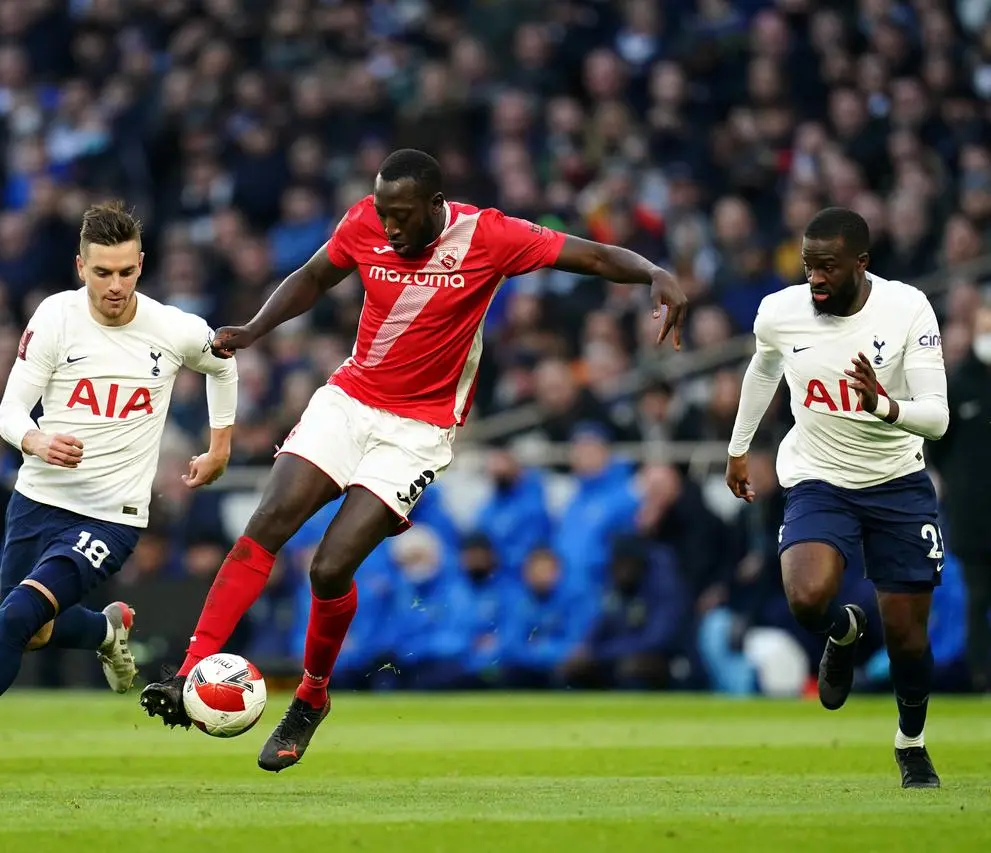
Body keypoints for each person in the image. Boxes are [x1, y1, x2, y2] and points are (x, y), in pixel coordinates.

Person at [140, 148, 688, 772]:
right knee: (266, 524)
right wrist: (255, 328)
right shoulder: (365, 222)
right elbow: (314, 277)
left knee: (330, 568)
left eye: (403, 216)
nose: (391, 228)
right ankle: (188, 676)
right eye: (384, 214)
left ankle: (312, 698)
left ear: (434, 206)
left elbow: (587, 254)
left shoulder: (489, 235)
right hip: (348, 401)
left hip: (419, 430)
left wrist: (653, 272)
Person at [0, 201, 238, 783]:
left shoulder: (174, 329)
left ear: (142, 265)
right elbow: (10, 411)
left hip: (111, 515)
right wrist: (34, 440)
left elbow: (221, 363)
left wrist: (219, 446)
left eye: (125, 272)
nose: (114, 286)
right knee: (33, 630)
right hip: (37, 500)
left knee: (13, 621)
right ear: (79, 266)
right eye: (101, 273)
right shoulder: (55, 318)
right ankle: (105, 630)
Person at [726, 207, 948, 789]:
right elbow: (763, 368)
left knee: (906, 637)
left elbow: (938, 418)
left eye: (827, 266)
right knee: (805, 596)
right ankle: (843, 631)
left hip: (897, 481)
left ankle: (911, 743)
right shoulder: (780, 312)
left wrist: (881, 404)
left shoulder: (907, 308)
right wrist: (737, 447)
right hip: (819, 477)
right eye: (808, 265)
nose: (815, 278)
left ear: (861, 264)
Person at [927, 302, 991, 692]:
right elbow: (939, 443)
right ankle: (981, 675)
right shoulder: (959, 384)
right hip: (973, 513)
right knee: (978, 596)